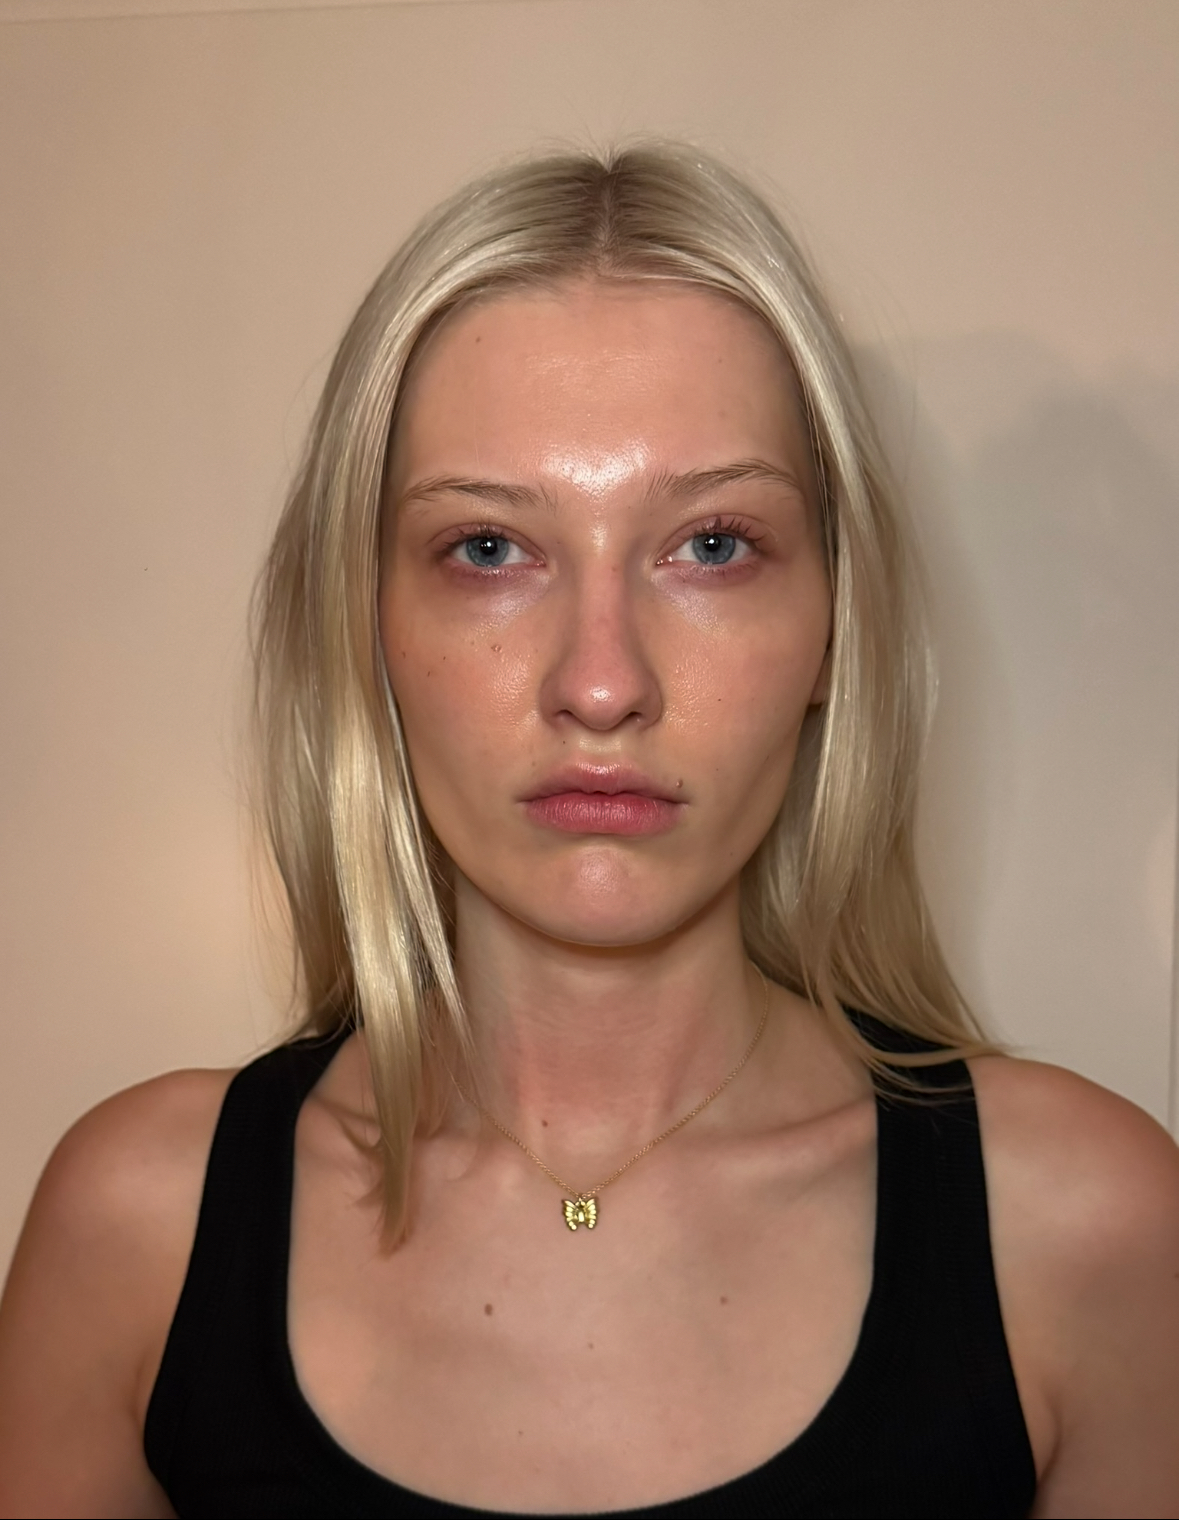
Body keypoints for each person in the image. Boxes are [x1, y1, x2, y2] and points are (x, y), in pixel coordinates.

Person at [0, 142, 1176, 1520]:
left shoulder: (1089, 1237)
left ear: (834, 628)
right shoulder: (134, 1235)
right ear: (365, 626)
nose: (603, 683)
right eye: (487, 550)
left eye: (714, 545)